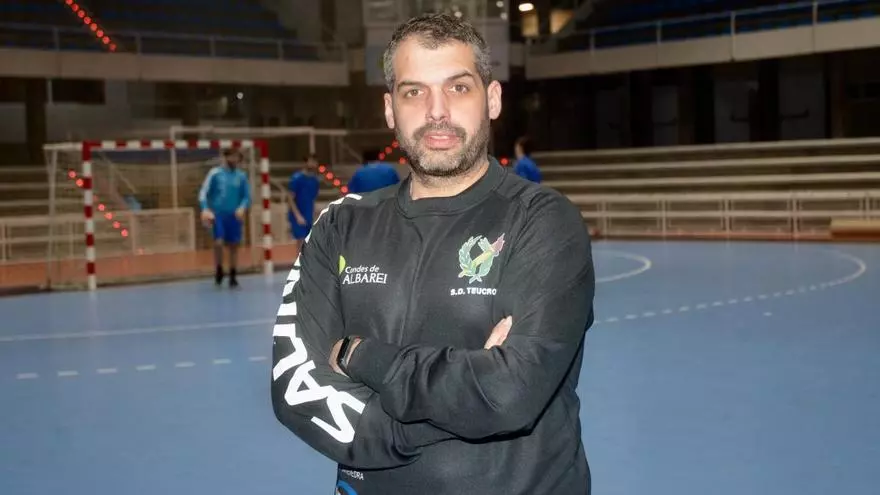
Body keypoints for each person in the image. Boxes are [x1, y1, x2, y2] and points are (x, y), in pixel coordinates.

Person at [270, 13, 595, 495]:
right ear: (389, 108)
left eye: (458, 88)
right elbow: (295, 388)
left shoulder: (543, 221)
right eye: (414, 91)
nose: (436, 111)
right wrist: (436, 416)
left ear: (492, 99)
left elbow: (507, 394)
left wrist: (360, 355)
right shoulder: (340, 225)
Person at [198, 148, 250, 288]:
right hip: (218, 215)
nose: (234, 160)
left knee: (234, 245)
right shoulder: (215, 174)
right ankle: (219, 269)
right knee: (219, 242)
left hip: (234, 215)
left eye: (236, 157)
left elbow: (246, 196)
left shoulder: (241, 176)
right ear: (225, 157)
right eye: (231, 156)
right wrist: (205, 209)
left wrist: (242, 207)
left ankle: (233, 274)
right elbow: (203, 193)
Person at [287, 154, 321, 256]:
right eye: (311, 161)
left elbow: (313, 198)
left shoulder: (315, 180)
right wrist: (297, 215)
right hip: (298, 215)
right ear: (306, 162)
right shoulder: (296, 178)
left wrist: (315, 213)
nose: (313, 164)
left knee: (309, 242)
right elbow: (290, 198)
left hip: (309, 214)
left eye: (315, 161)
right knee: (301, 242)